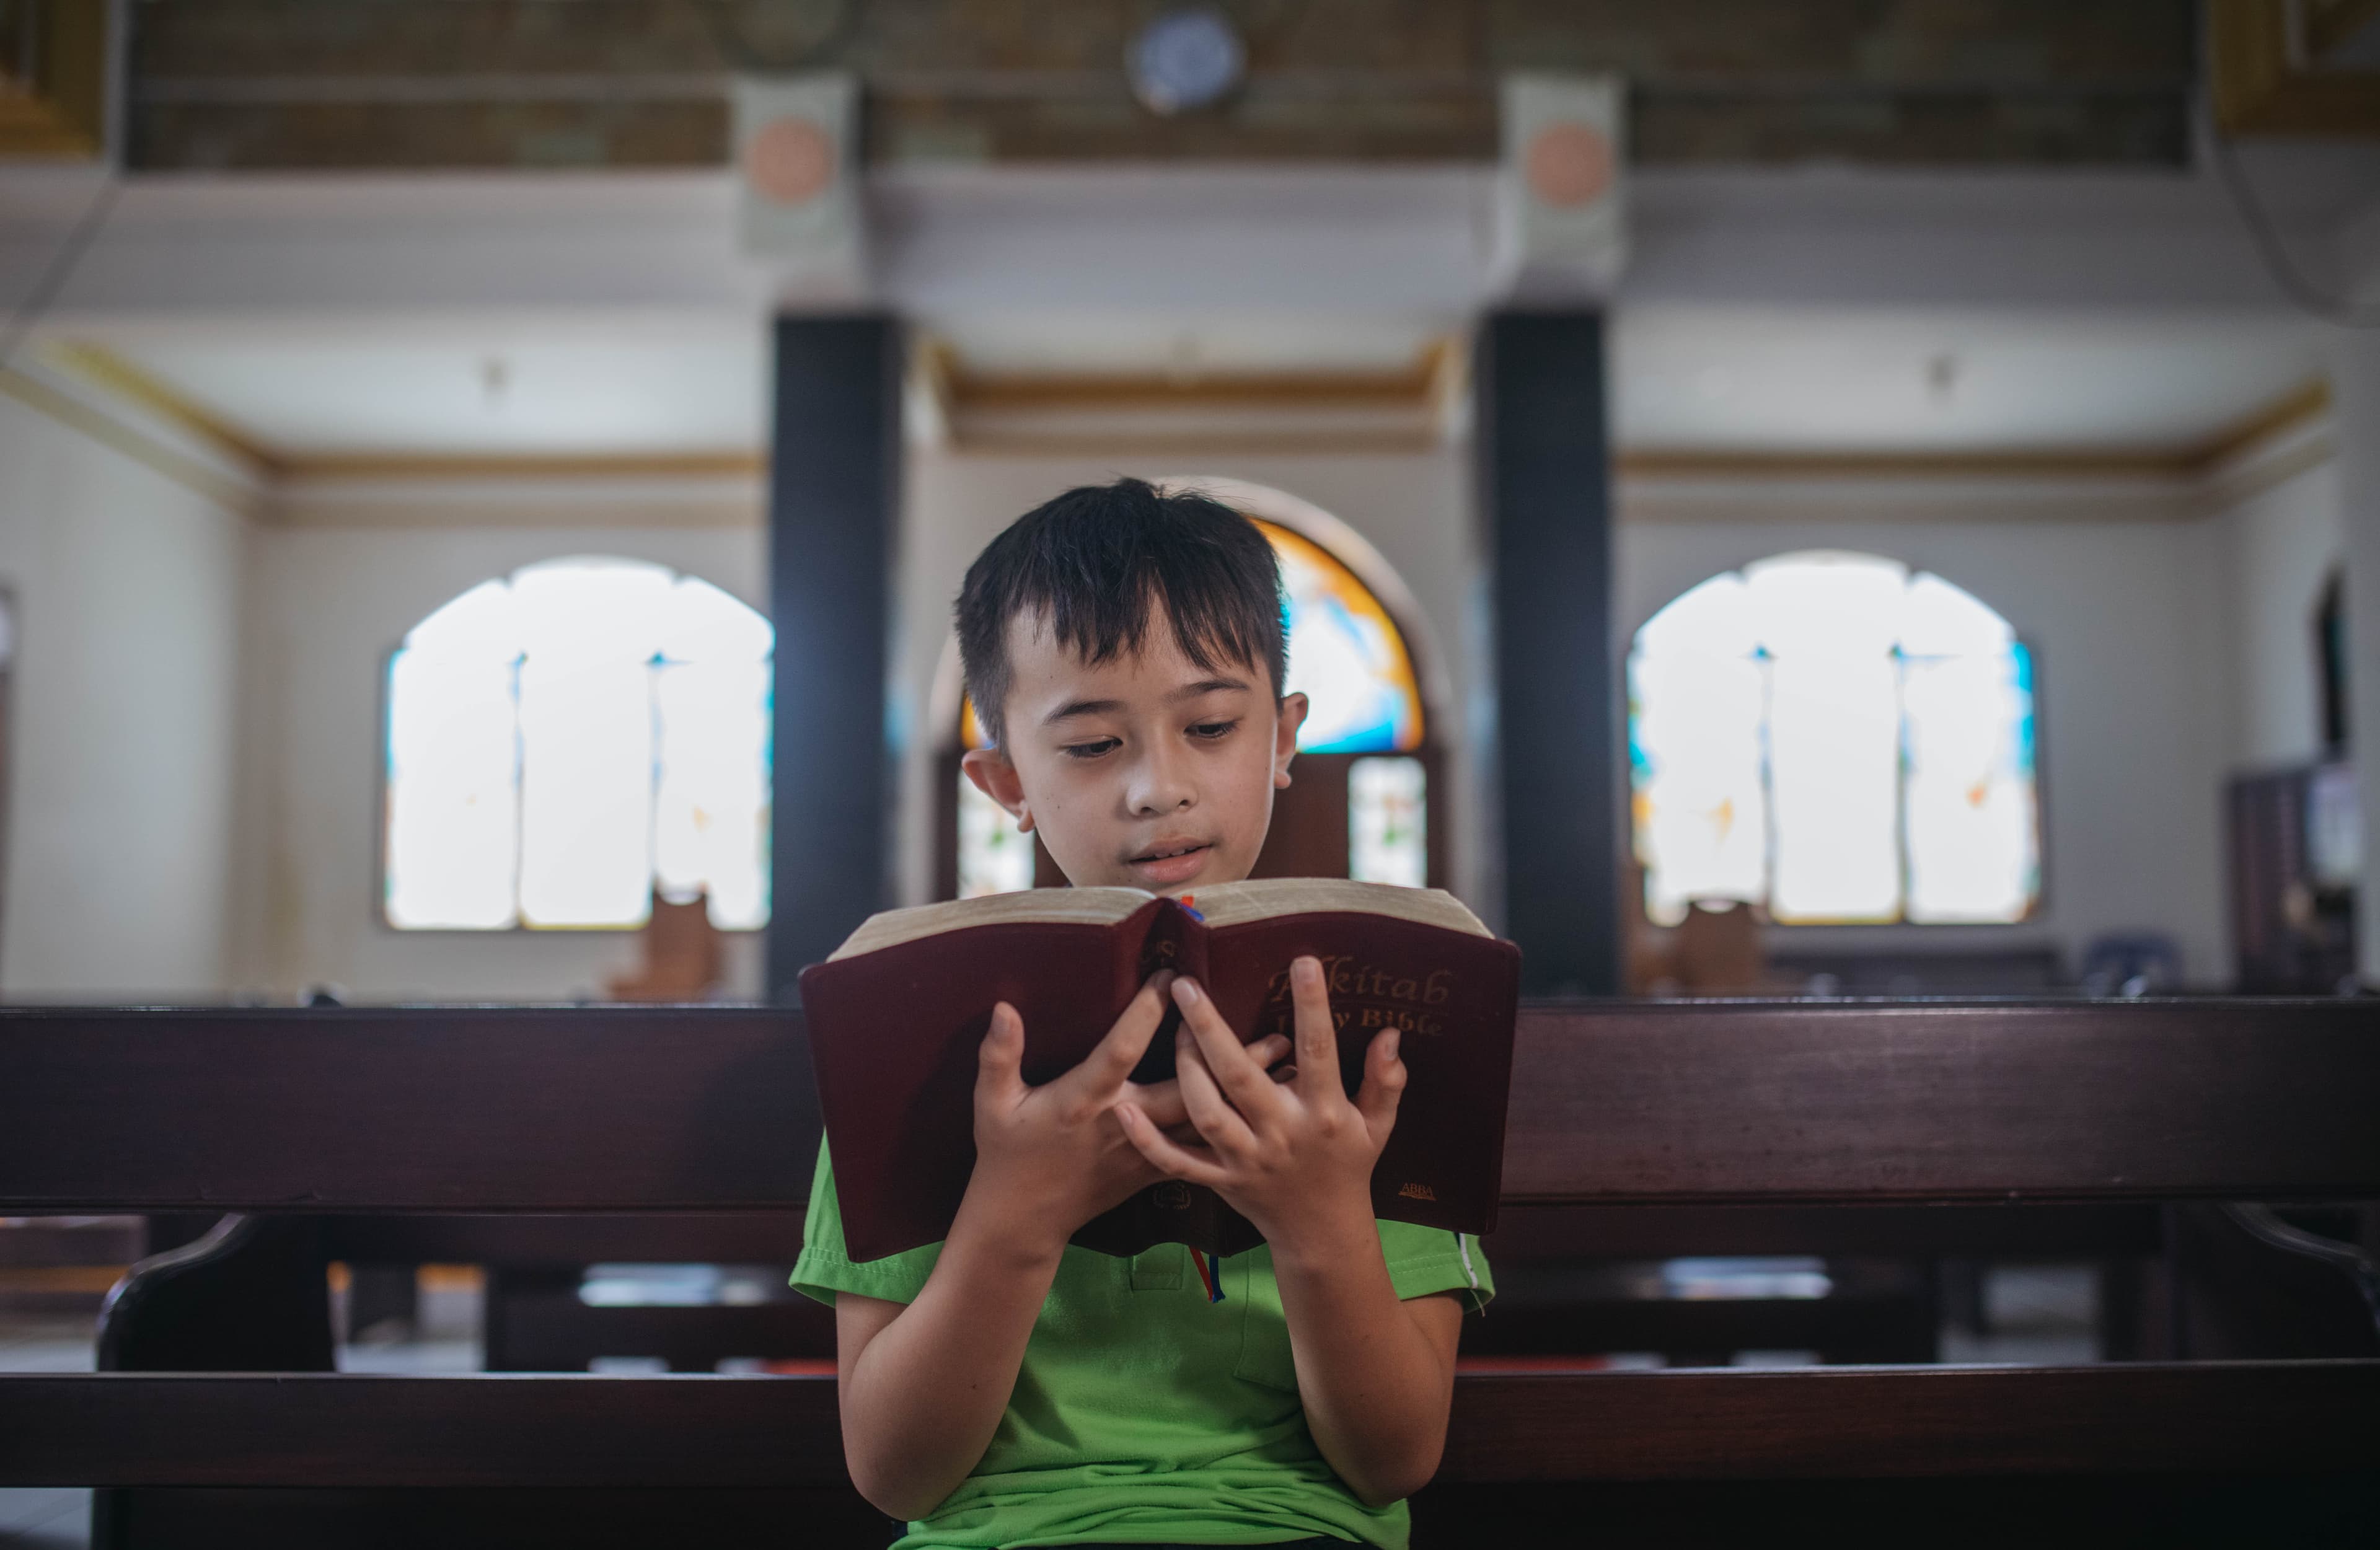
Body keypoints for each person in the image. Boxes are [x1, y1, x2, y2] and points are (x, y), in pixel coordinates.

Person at [791, 478, 1492, 1548]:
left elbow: (1393, 1456)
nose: (1157, 788)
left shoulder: (1369, 1039)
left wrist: (1319, 1221)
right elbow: (896, 1471)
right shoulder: (913, 1026)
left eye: (1210, 724)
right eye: (1088, 745)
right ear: (1002, 779)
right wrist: (1016, 1215)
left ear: (1284, 736)